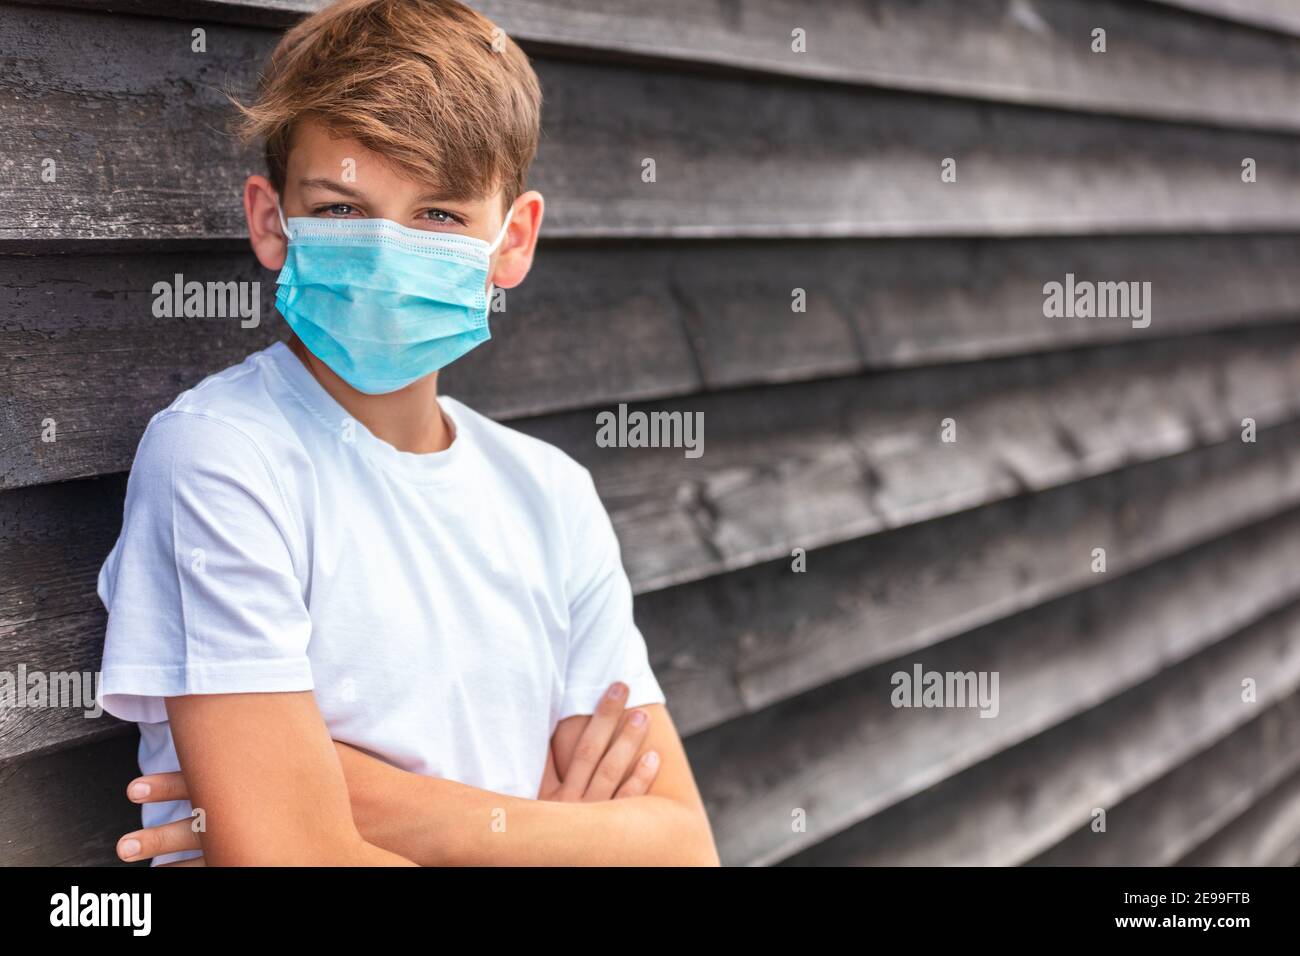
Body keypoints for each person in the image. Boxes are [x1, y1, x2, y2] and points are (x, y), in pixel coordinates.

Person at [96, 0, 719, 866]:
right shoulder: (220, 456)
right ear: (272, 222)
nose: (388, 256)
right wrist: (566, 836)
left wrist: (343, 797)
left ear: (512, 240)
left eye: (438, 216)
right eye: (344, 212)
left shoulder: (551, 495)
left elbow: (683, 848)